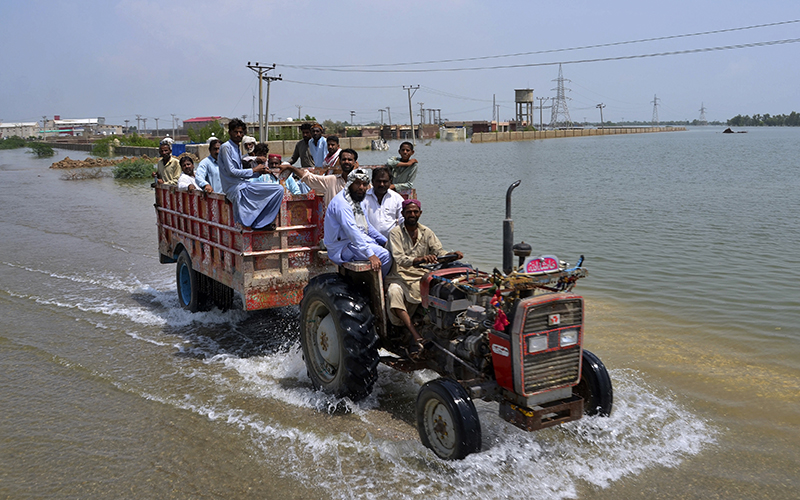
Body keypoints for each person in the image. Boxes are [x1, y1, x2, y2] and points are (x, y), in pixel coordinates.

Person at [386, 199, 463, 357]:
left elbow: (439, 251)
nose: (412, 215)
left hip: (420, 276)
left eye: (415, 212)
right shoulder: (395, 233)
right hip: (399, 276)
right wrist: (420, 260)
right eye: (409, 212)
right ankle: (416, 335)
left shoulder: (427, 232)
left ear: (420, 213)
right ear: (403, 214)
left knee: (443, 291)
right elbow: (400, 259)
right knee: (394, 292)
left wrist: (452, 256)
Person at [217, 118, 284, 230]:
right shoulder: (226, 147)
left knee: (278, 189)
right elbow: (232, 172)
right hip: (234, 187)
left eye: (241, 132)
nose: (238, 134)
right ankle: (256, 223)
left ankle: (263, 222)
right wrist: (254, 170)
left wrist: (260, 173)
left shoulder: (236, 148)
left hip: (243, 184)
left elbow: (241, 173)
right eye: (236, 132)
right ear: (230, 132)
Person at [323, 168, 392, 276]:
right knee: (385, 256)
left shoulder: (358, 200)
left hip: (356, 242)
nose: (361, 187)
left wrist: (385, 241)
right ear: (349, 184)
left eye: (364, 184)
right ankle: (380, 288)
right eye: (357, 183)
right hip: (342, 246)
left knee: (391, 249)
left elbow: (367, 227)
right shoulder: (342, 204)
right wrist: (370, 255)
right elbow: (352, 231)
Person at [279, 148, 357, 206]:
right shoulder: (332, 180)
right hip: (335, 223)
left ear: (354, 163)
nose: (346, 162)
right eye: (344, 159)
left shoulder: (361, 182)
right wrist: (291, 168)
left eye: (349, 160)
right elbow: (308, 178)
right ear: (339, 162)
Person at [365, 166, 404, 239]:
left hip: (391, 241)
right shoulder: (364, 198)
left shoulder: (397, 198)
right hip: (369, 241)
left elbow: (403, 220)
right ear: (372, 181)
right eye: (378, 181)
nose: (381, 184)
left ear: (390, 182)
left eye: (385, 181)